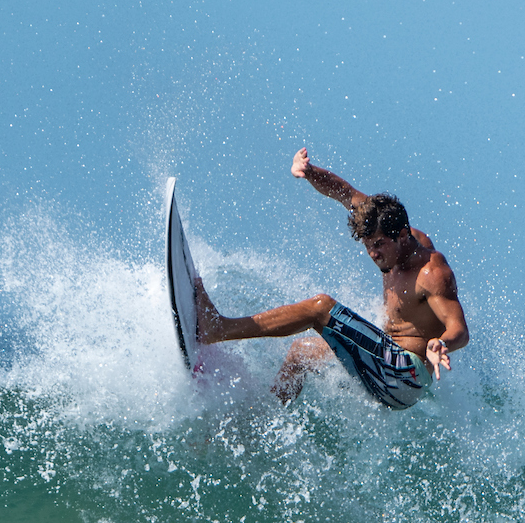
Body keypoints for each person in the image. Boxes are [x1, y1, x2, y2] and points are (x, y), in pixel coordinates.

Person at [193, 148, 469, 407]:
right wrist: (308, 172)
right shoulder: (383, 226)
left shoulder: (432, 272)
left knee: (320, 308)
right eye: (367, 244)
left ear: (403, 235)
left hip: (404, 376)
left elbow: (460, 330)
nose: (373, 253)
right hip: (382, 361)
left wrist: (441, 343)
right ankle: (264, 418)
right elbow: (346, 193)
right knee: (300, 353)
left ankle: (218, 329)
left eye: (379, 244)